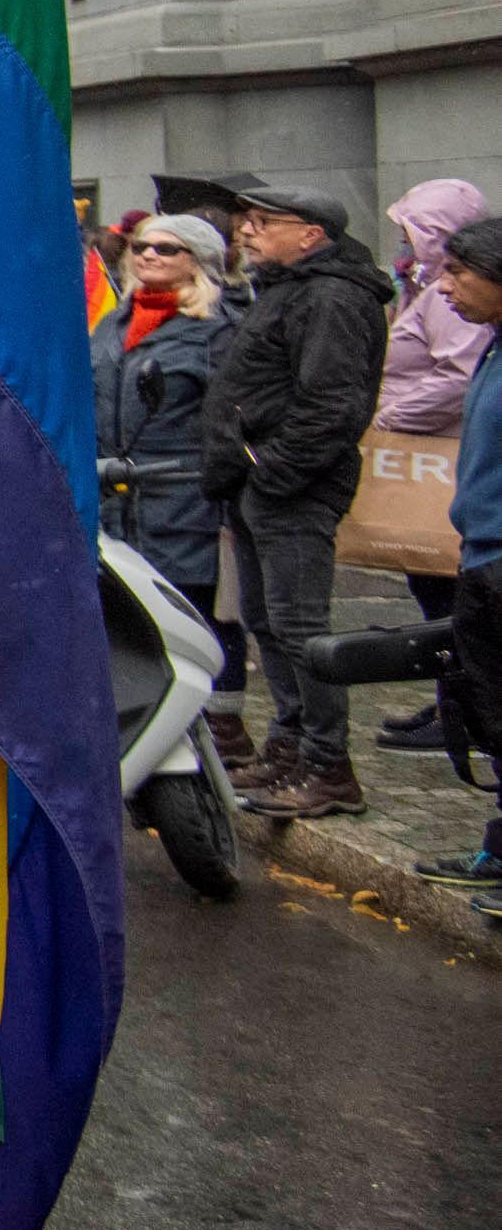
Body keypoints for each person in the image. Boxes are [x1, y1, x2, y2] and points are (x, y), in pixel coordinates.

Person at [207, 184, 389, 818]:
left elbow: (333, 404)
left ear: (311, 234)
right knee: (266, 621)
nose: (247, 231)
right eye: (246, 221)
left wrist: (272, 470)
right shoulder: (288, 288)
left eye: (263, 222)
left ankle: (329, 767)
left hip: (294, 488)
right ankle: (287, 748)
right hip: (259, 487)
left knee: (300, 628)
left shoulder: (333, 296)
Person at [373, 179, 493, 758]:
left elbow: (455, 375)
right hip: (441, 464)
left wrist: (387, 413)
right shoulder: (428, 288)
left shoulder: (460, 309)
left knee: (450, 605)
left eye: (412, 228)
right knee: (439, 600)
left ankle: (461, 711)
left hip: (437, 457)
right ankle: (453, 705)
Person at [93, 216, 231, 657]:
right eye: (141, 246)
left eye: (167, 248)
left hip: (183, 502)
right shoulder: (111, 323)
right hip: (111, 501)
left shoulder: (217, 332)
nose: (149, 254)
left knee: (191, 628)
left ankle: (222, 723)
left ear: (197, 262)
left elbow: (227, 424)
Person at [419, 218, 502, 898]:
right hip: (482, 556)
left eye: (458, 272)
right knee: (492, 716)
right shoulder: (492, 347)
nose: (444, 285)